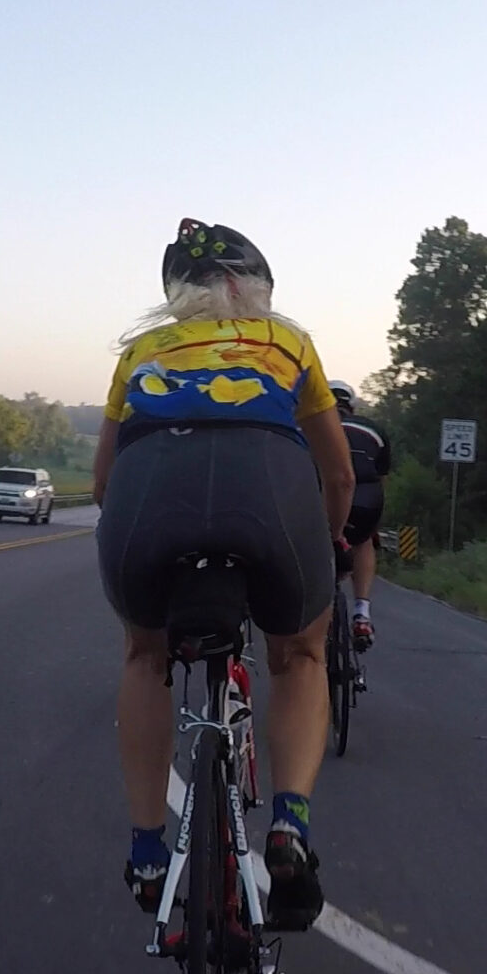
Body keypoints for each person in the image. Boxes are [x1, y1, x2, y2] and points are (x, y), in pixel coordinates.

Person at [95, 219, 353, 933]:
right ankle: (290, 824)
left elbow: (103, 481)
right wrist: (327, 541)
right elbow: (338, 474)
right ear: (256, 288)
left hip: (150, 498)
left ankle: (148, 851)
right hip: (270, 498)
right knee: (301, 654)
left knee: (144, 655)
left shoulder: (141, 352)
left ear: (176, 294)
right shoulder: (288, 344)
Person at [329, 379, 391, 664]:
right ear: (352, 406)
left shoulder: (310, 426)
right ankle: (362, 614)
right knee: (364, 539)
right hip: (368, 496)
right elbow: (382, 477)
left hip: (325, 491)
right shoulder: (372, 429)